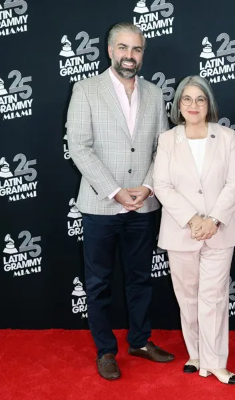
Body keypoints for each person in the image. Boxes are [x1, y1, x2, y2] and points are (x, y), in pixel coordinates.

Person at [66, 22, 173, 380]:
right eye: (123, 48)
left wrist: (146, 186)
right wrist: (114, 190)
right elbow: (78, 147)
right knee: (98, 284)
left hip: (143, 204)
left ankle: (140, 341)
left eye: (137, 49)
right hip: (100, 205)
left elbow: (163, 147)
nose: (130, 56)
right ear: (110, 51)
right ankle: (106, 350)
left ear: (143, 53)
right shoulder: (85, 90)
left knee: (140, 279)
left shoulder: (156, 93)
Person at [153, 75, 235, 385]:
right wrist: (193, 219)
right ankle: (196, 354)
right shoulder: (167, 140)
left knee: (214, 296)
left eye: (200, 99)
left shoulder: (227, 137)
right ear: (179, 105)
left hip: (220, 229)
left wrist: (213, 220)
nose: (193, 105)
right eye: (187, 99)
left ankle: (216, 362)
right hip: (182, 230)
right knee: (188, 297)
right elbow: (162, 186)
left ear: (209, 104)